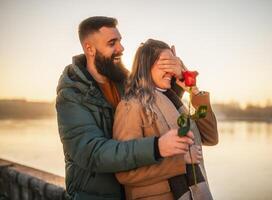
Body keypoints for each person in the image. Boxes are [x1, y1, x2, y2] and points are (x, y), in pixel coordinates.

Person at [56, 16, 195, 200]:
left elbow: (156, 106)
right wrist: (157, 147)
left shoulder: (127, 82)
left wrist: (177, 76)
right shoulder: (71, 95)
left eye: (120, 41)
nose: (121, 48)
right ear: (89, 48)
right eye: (112, 43)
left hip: (133, 192)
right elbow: (91, 153)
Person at [113, 39, 218, 200]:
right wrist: (180, 161)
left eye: (173, 64)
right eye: (165, 64)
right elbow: (125, 173)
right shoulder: (131, 106)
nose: (171, 71)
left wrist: (193, 89)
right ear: (146, 65)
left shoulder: (174, 102)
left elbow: (211, 137)